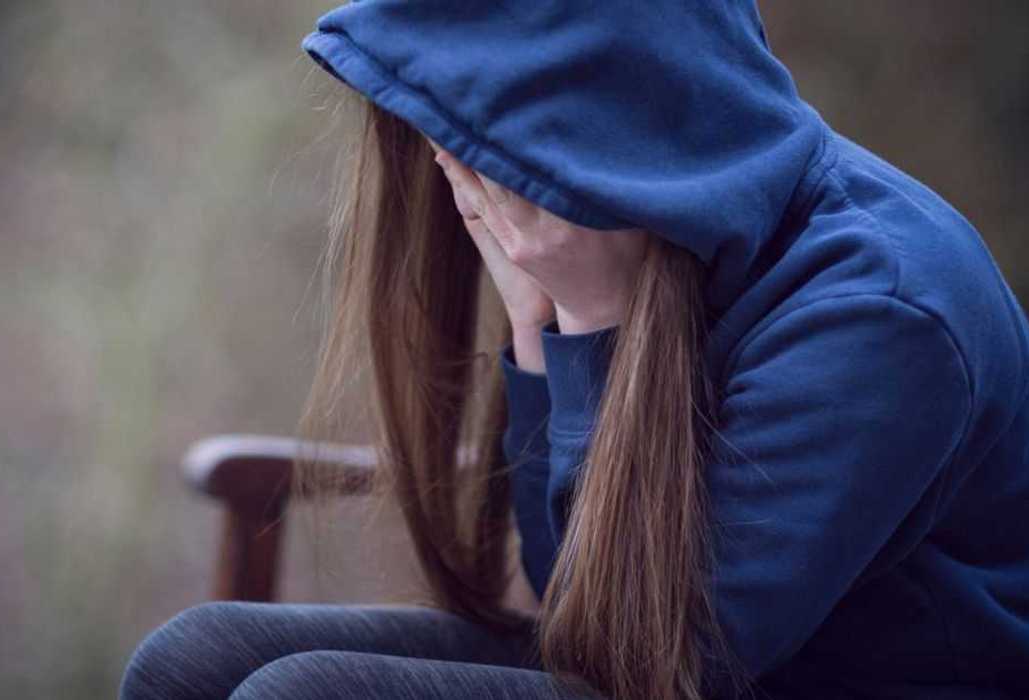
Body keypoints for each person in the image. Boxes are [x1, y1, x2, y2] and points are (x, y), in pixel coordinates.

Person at [120, 1, 1029, 698]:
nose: (456, 173)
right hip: (654, 645)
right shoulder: (666, 242)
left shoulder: (882, 314)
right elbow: (573, 598)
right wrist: (539, 325)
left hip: (787, 675)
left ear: (604, 124)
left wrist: (592, 319)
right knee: (194, 659)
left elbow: (658, 663)